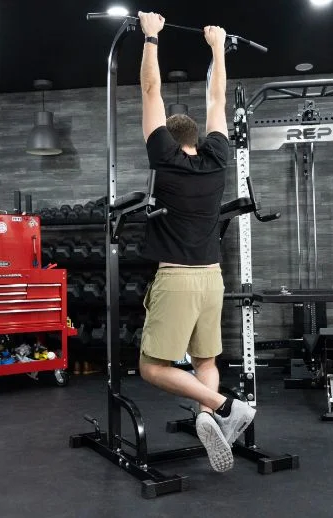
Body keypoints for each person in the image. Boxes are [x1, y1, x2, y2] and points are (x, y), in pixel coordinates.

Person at [135, 11, 255, 473]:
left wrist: (151, 37)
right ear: (199, 138)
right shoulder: (219, 159)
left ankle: (225, 408)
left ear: (168, 135)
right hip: (212, 279)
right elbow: (218, 97)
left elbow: (151, 91)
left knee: (152, 368)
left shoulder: (163, 158)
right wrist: (216, 47)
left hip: (179, 279)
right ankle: (206, 415)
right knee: (205, 358)